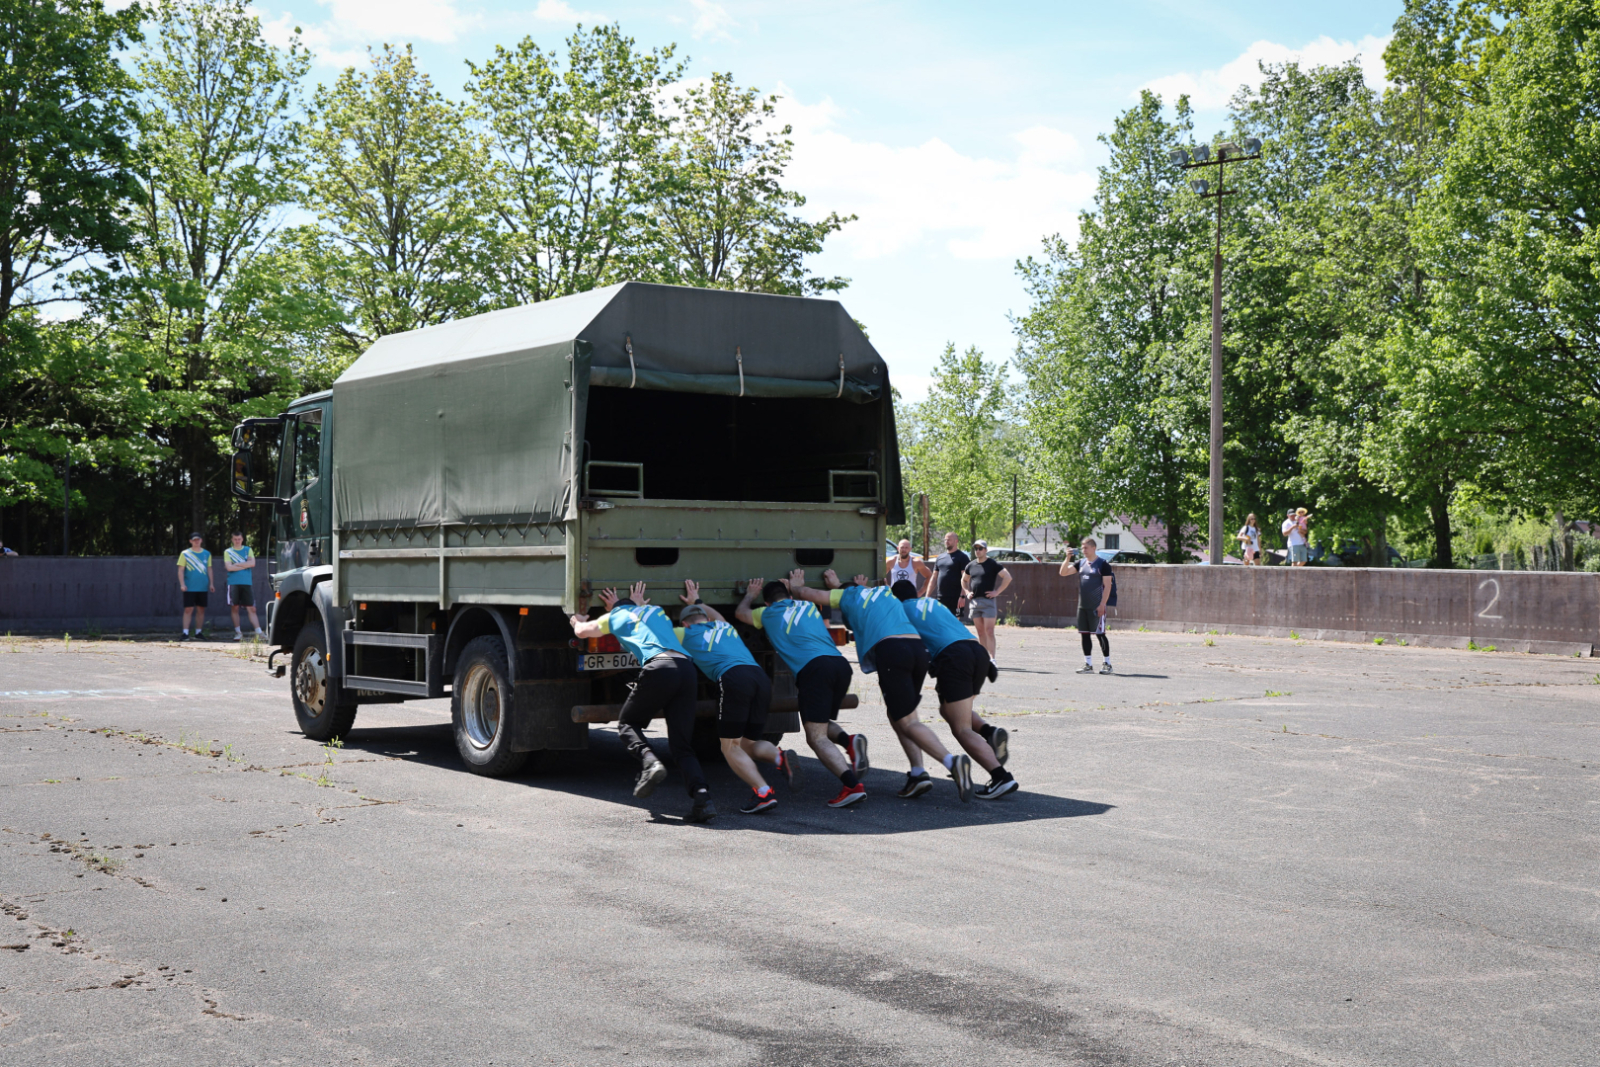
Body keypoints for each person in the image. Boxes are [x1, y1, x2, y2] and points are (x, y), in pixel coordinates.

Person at [788, 568, 975, 803]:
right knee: (900, 715)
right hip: (918, 650)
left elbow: (811, 593)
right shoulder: (884, 593)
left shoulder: (848, 596)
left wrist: (795, 587)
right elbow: (855, 592)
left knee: (908, 721)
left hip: (892, 651)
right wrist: (842, 584)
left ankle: (952, 762)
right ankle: (918, 773)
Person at [568, 581, 715, 824]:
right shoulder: (656, 612)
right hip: (687, 669)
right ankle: (703, 798)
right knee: (682, 745)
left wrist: (576, 618)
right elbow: (637, 611)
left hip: (659, 667)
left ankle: (650, 762)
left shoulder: (615, 617)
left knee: (627, 724)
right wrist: (633, 602)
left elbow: (583, 632)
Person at [736, 575, 870, 808]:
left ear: (767, 603)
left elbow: (740, 613)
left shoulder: (766, 614)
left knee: (815, 737)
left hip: (814, 670)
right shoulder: (808, 606)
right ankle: (849, 740)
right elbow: (801, 595)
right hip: (839, 665)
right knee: (819, 722)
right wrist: (795, 588)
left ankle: (852, 786)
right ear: (788, 596)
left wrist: (750, 595)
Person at [674, 580, 797, 815]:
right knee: (748, 744)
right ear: (706, 620)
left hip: (734, 679)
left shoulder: (684, 633)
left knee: (729, 746)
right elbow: (716, 614)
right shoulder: (724, 627)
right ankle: (781, 758)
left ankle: (763, 792)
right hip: (760, 679)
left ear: (685, 623)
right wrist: (697, 600)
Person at [890, 580, 1017, 799]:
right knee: (948, 710)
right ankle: (989, 732)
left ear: (896, 598)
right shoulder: (932, 604)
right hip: (976, 650)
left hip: (954, 657)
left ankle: (1001, 777)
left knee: (962, 729)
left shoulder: (901, 609)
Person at [1060, 538, 1114, 674]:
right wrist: (1067, 558)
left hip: (1096, 606)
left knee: (1100, 634)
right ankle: (1088, 664)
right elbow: (1063, 573)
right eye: (1082, 548)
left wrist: (1102, 604)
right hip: (1082, 606)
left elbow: (1108, 586)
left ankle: (1107, 663)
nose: (1083, 550)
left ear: (1093, 548)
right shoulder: (1081, 563)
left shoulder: (1103, 565)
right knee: (1084, 635)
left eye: (1086, 548)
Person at [961, 540, 1012, 662]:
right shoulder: (971, 565)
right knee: (980, 632)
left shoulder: (993, 564)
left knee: (989, 631)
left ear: (985, 550)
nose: (978, 551)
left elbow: (1007, 577)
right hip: (975, 602)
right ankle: (983, 659)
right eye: (976, 548)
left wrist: (997, 592)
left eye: (980, 548)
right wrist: (967, 592)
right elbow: (964, 580)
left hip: (988, 602)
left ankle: (992, 659)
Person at [223, 532, 264, 640]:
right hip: (233, 583)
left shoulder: (248, 549)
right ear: (232, 539)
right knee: (235, 607)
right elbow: (229, 568)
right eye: (235, 539)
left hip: (246, 582)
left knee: (251, 608)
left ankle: (259, 632)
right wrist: (245, 564)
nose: (237, 541)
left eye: (239, 539)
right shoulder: (228, 551)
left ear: (242, 539)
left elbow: (252, 563)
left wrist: (236, 564)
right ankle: (238, 632)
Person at [922, 531, 970, 618]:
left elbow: (966, 579)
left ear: (956, 541)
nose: (946, 542)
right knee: (941, 622)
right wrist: (927, 596)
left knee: (954, 624)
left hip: (955, 598)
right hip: (941, 597)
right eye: (945, 540)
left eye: (949, 540)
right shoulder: (940, 557)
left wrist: (962, 596)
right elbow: (934, 578)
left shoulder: (962, 557)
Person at [177, 533, 213, 640]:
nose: (196, 541)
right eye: (194, 540)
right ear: (190, 541)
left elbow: (209, 569)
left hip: (202, 587)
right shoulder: (185, 553)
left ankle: (198, 632)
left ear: (201, 540)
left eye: (198, 539)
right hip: (189, 587)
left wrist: (211, 583)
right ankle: (185, 633)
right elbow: (180, 570)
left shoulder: (207, 553)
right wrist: (182, 584)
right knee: (188, 609)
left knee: (201, 609)